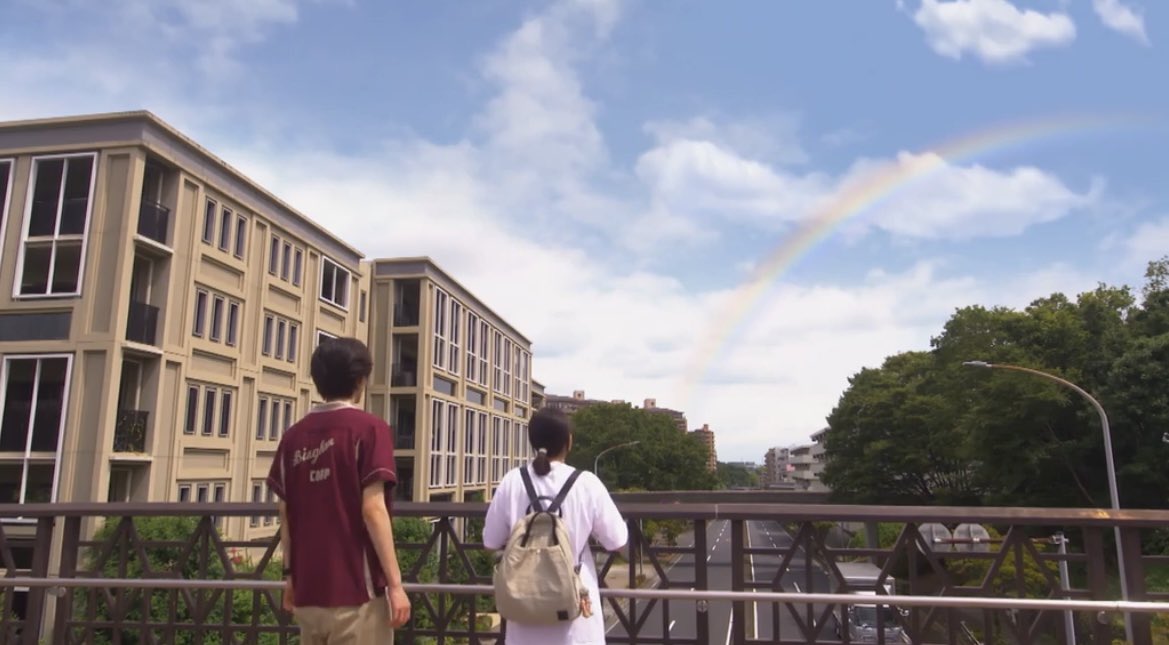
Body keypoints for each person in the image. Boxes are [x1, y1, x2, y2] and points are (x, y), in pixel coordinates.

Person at [267, 337, 411, 644]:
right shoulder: (370, 429)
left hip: (308, 592)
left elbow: (286, 512)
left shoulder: (293, 437)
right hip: (357, 592)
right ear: (360, 380)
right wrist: (396, 586)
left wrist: (290, 577)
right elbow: (373, 509)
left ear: (318, 380)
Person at [483, 407, 628, 645]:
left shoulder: (512, 481)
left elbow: (490, 542)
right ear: (568, 441)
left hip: (523, 610)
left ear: (532, 441)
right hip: (576, 617)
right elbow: (617, 540)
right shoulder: (586, 483)